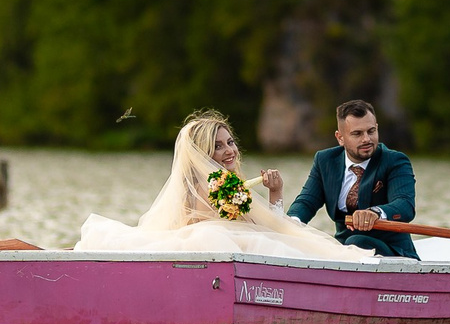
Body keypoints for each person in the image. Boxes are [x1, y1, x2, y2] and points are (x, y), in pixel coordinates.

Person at [68, 110, 374, 260]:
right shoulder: (220, 185)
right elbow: (273, 226)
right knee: (285, 244)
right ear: (204, 153)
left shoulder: (206, 184)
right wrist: (276, 194)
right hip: (216, 246)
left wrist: (269, 194)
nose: (229, 150)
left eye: (230, 142)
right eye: (218, 146)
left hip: (212, 244)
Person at [287, 101, 419, 259]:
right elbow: (306, 202)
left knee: (356, 242)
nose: (366, 139)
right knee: (310, 242)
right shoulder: (325, 160)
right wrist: (289, 224)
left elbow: (404, 205)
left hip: (394, 252)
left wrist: (375, 213)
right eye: (357, 134)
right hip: (343, 249)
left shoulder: (395, 161)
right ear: (340, 138)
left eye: (371, 131)